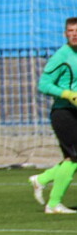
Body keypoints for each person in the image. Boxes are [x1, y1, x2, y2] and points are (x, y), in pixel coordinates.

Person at [31, 16, 77, 214]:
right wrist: (67, 94)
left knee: (71, 158)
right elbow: (44, 84)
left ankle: (42, 179)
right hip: (63, 113)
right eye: (71, 31)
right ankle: (53, 204)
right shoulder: (61, 56)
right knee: (74, 158)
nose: (74, 35)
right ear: (65, 34)